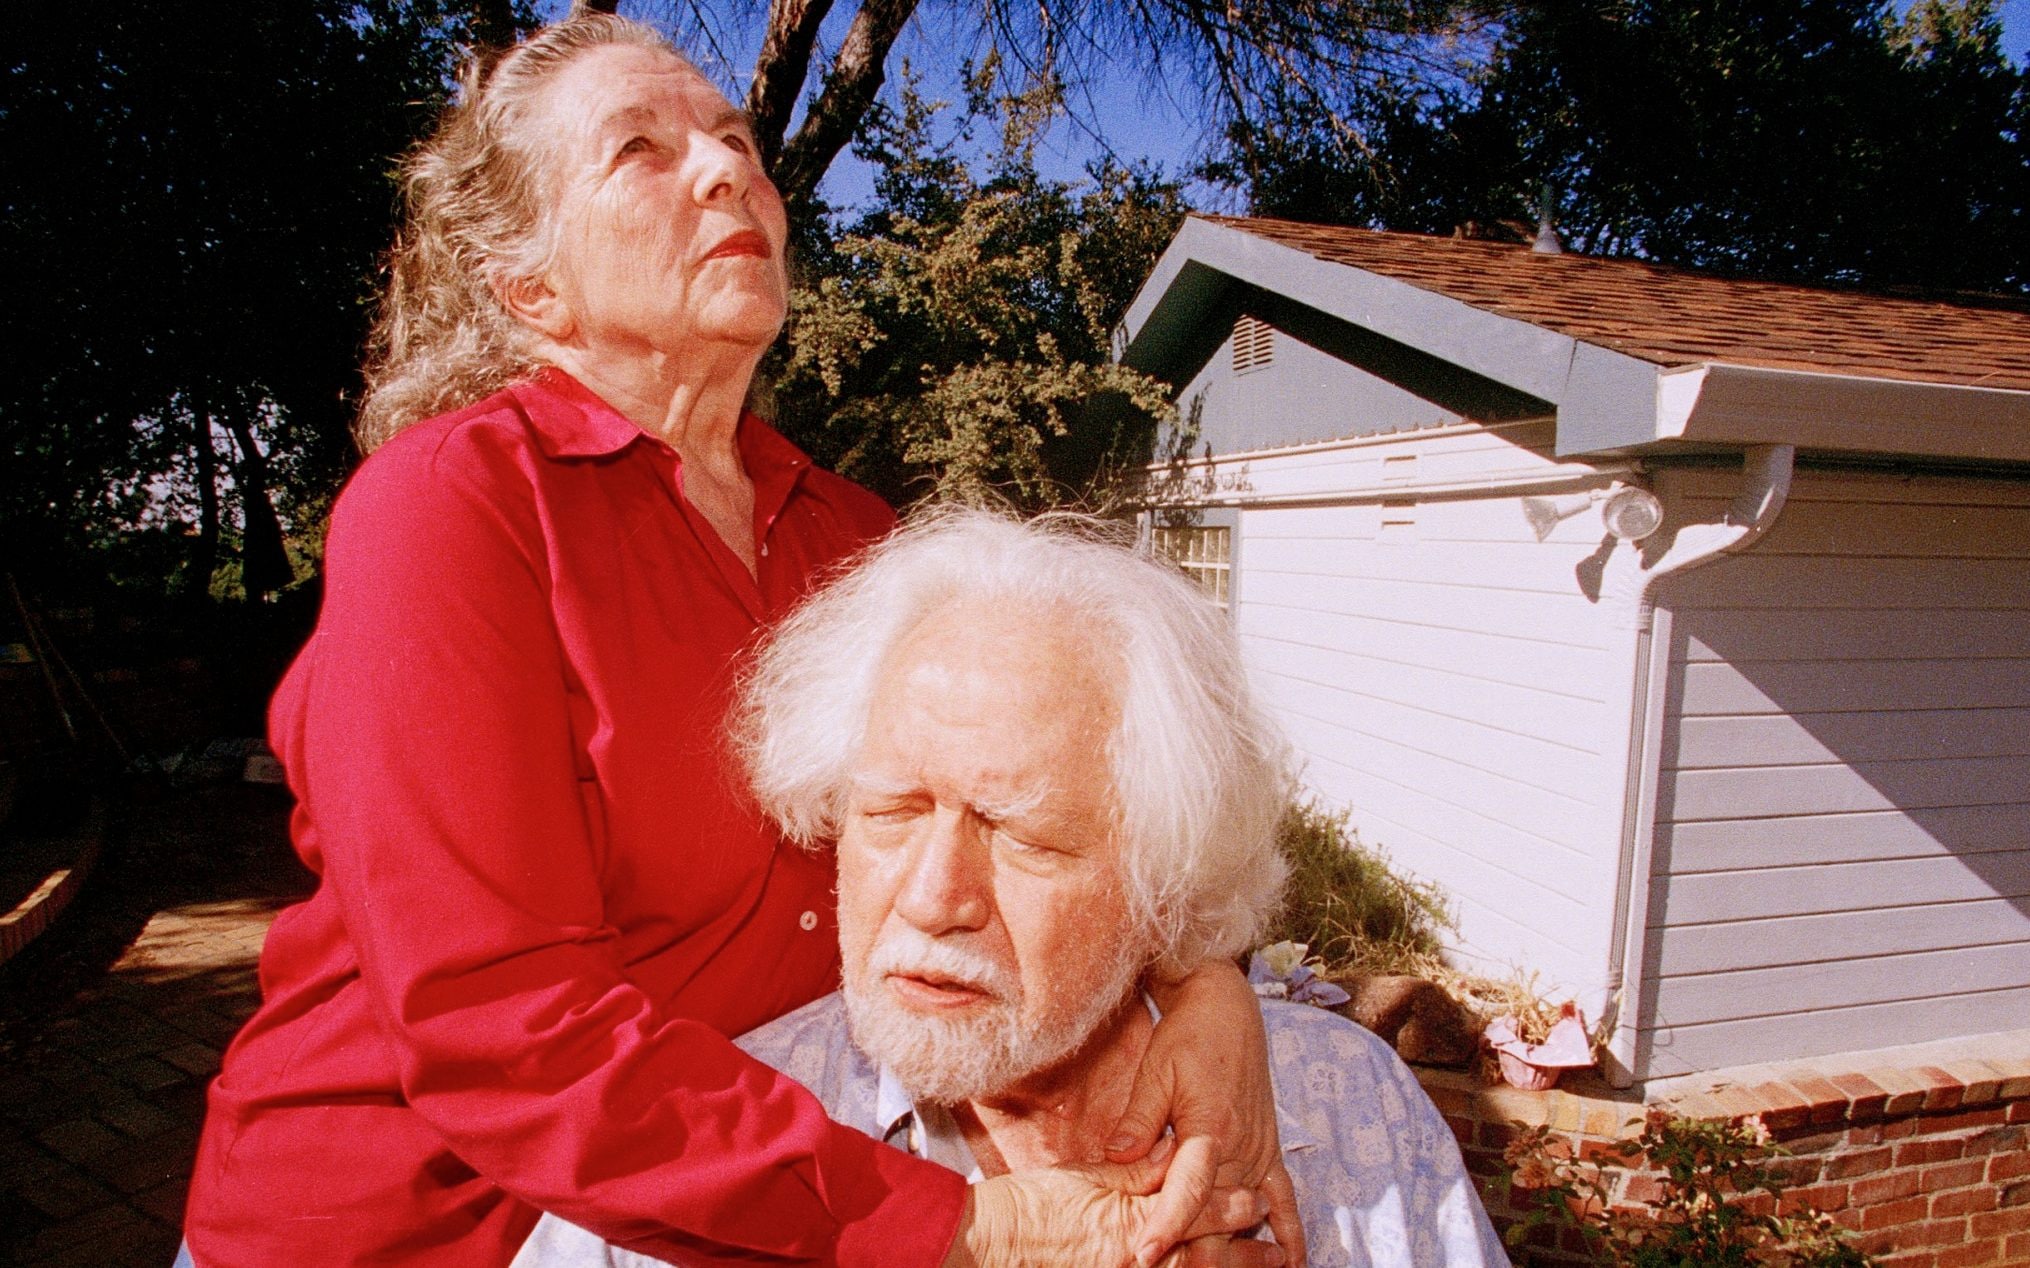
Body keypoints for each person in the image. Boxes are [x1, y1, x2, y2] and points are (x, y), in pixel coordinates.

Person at [180, 15, 1296, 1268]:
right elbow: (500, 1021)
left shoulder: (855, 537)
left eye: (734, 141)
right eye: (639, 151)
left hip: (740, 1212)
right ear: (528, 284)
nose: (726, 172)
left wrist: (1209, 987)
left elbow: (1078, 803)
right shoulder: (449, 506)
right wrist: (963, 1222)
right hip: (414, 1231)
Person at [514, 509, 1508, 1268]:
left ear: (1163, 885)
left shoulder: (1345, 1107)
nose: (932, 897)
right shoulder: (694, 1166)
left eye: (1023, 836)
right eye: (892, 811)